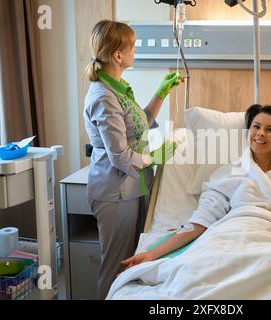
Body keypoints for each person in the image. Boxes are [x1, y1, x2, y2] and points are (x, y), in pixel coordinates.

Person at [121, 104, 271, 292]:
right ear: (248, 131)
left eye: (270, 129)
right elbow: (199, 223)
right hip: (231, 239)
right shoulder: (228, 174)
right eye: (256, 126)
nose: (260, 133)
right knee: (193, 273)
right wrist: (154, 254)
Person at [83, 19, 182, 299]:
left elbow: (140, 124)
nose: (135, 52)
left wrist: (161, 94)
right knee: (115, 266)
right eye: (133, 47)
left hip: (134, 189)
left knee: (133, 264)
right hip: (115, 194)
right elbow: (120, 156)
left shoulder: (120, 87)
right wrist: (154, 158)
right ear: (118, 55)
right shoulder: (103, 96)